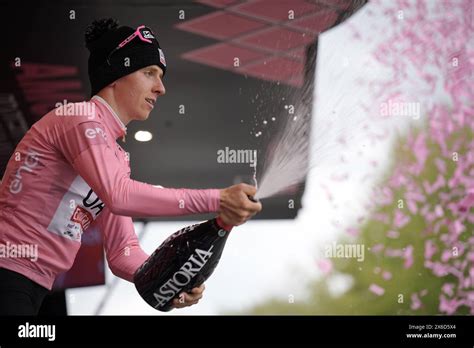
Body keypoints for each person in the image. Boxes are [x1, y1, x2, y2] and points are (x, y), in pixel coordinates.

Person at [0, 18, 262, 315]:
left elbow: (123, 252)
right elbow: (119, 195)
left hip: (35, 285)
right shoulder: (80, 117)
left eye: (161, 76)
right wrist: (218, 199)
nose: (161, 88)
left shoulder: (116, 156)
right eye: (150, 73)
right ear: (115, 75)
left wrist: (170, 280)